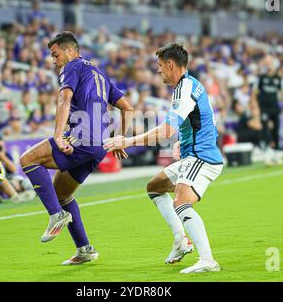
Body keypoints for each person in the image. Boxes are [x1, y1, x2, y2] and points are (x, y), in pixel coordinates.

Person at [104, 43, 223, 274]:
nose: (158, 71)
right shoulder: (192, 85)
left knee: (181, 202)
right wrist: (184, 140)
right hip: (195, 152)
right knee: (155, 187)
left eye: (160, 66)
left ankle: (208, 260)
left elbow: (166, 131)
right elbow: (207, 118)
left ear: (170, 65)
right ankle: (181, 240)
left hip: (201, 157)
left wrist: (126, 141)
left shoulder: (184, 89)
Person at [19, 31, 133, 265]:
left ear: (70, 51)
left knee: (28, 159)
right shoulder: (98, 73)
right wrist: (119, 137)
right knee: (61, 194)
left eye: (55, 54)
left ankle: (56, 215)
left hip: (82, 136)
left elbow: (64, 99)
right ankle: (85, 249)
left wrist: (58, 135)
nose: (54, 60)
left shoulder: (71, 66)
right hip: (99, 145)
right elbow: (128, 108)